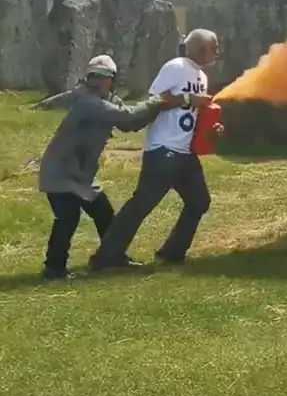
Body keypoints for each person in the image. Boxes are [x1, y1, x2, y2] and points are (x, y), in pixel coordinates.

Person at [35, 55, 184, 280]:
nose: (97, 81)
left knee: (103, 212)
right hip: (61, 171)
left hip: (81, 175)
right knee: (67, 218)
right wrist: (157, 102)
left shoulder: (107, 99)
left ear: (112, 80)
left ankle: (112, 256)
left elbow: (130, 123)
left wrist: (160, 107)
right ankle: (53, 269)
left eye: (102, 76)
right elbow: (124, 115)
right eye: (93, 76)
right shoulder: (87, 101)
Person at [89, 29, 222, 272]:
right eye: (215, 47)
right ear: (201, 48)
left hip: (185, 152)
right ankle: (105, 258)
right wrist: (188, 99)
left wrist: (211, 128)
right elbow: (155, 100)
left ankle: (171, 253)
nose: (218, 52)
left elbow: (190, 114)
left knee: (199, 201)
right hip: (164, 149)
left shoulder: (201, 76)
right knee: (141, 205)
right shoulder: (176, 67)